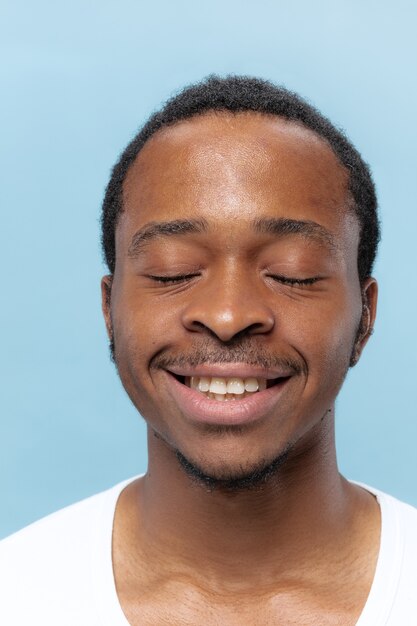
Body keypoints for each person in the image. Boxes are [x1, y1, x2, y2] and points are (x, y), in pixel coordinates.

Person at [0, 75, 416, 626]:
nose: (227, 315)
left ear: (365, 317)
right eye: (174, 271)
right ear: (109, 310)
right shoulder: (17, 594)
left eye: (291, 274)